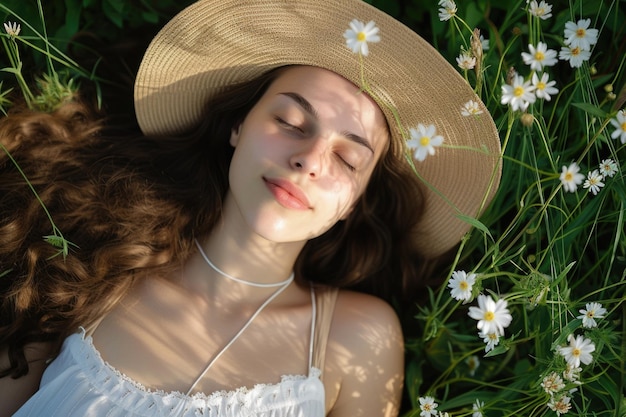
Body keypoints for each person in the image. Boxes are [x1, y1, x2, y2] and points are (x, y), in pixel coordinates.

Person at [0, 0, 501, 416]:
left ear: (357, 202)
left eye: (348, 159)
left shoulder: (354, 339)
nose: (307, 159)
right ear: (238, 126)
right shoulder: (89, 265)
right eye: (288, 120)